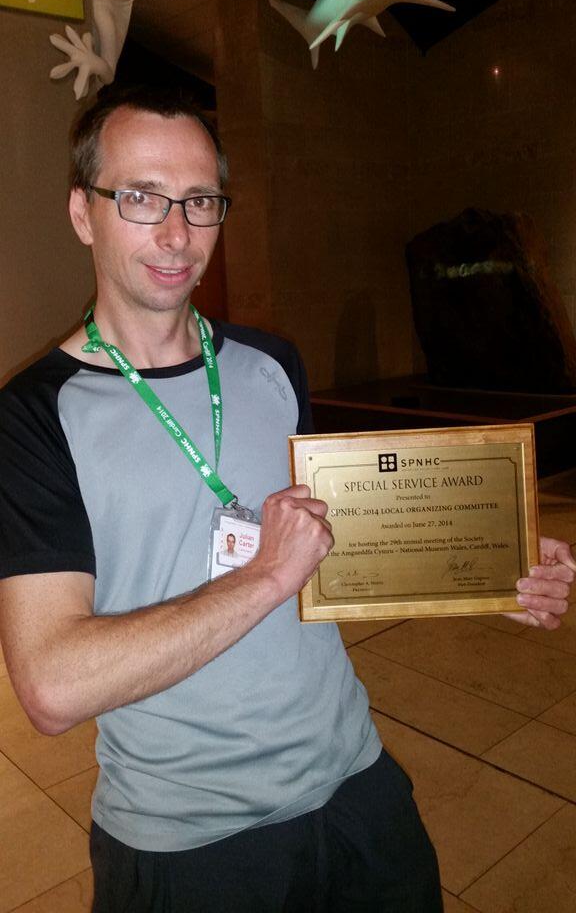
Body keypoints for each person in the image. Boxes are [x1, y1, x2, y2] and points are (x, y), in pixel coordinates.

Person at [0, 84, 573, 913]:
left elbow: (323, 543)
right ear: (83, 213)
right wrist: (264, 577)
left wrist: (487, 558)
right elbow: (53, 687)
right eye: (141, 197)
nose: (177, 233)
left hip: (356, 784)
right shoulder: (33, 418)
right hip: (191, 842)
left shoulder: (271, 364)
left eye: (200, 200)